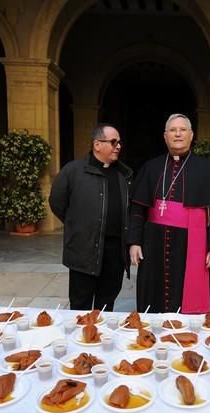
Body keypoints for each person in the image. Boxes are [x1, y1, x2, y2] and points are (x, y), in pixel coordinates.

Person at [128, 114, 210, 314]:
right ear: (165, 136)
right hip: (154, 242)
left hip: (192, 242)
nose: (178, 134)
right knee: (155, 295)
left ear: (191, 135)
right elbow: (138, 209)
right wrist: (134, 242)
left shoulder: (207, 168)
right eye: (173, 130)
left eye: (183, 130)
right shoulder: (151, 167)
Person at [49, 124, 133, 311]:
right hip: (83, 250)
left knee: (106, 306)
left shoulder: (124, 174)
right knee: (80, 306)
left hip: (114, 254)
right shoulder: (73, 171)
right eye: (113, 142)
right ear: (97, 144)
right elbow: (57, 202)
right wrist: (77, 223)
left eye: (119, 142)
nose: (118, 146)